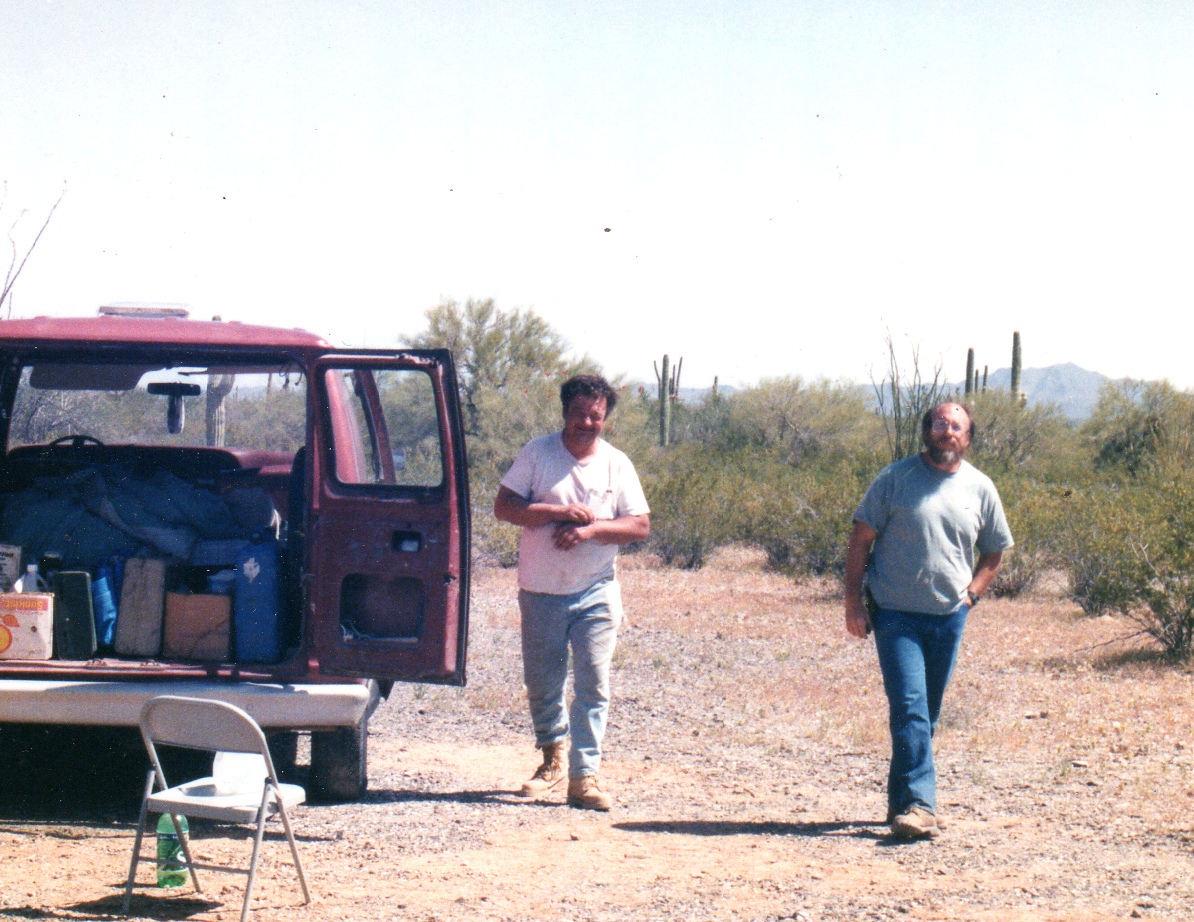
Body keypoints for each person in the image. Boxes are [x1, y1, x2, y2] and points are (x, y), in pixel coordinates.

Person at [844, 401, 1013, 840]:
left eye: (956, 426)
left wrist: (971, 596)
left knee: (925, 713)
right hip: (896, 612)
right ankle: (922, 806)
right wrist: (853, 604)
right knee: (910, 707)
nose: (947, 431)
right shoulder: (895, 478)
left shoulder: (980, 487)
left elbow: (994, 552)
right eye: (940, 424)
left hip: (948, 616)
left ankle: (901, 801)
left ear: (968, 437)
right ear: (927, 431)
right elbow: (860, 539)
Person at [494, 374, 650, 811]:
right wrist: (556, 512)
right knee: (543, 681)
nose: (586, 423)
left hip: (596, 591)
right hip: (541, 590)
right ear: (565, 412)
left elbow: (639, 525)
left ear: (606, 419)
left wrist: (591, 530)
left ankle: (585, 777)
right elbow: (504, 506)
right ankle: (552, 757)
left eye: (595, 416)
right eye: (579, 413)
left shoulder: (617, 464)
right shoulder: (537, 453)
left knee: (593, 683)